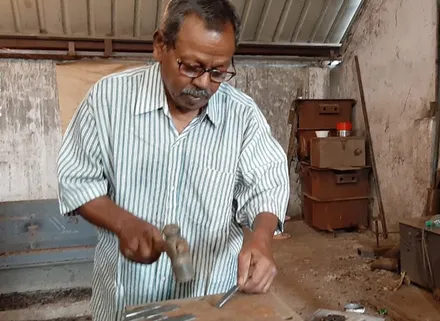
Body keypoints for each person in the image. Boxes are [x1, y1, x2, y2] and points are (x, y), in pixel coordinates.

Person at [56, 1, 290, 320]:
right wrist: (123, 223)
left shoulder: (242, 115)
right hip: (127, 297)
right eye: (192, 67)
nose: (205, 83)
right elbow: (77, 181)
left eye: (219, 71)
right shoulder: (108, 101)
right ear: (160, 46)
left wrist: (261, 241)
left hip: (209, 299)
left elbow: (267, 184)